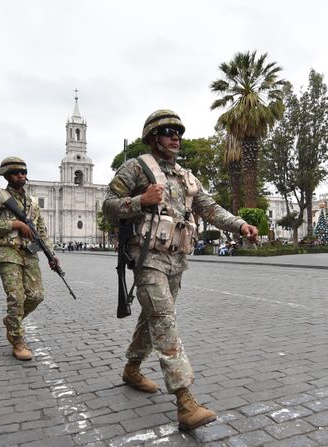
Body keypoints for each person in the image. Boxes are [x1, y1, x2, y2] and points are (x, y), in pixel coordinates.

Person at [103, 109, 259, 430]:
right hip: (147, 258)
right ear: (152, 138)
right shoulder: (136, 168)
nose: (175, 136)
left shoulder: (186, 177)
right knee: (164, 320)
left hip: (177, 260)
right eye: (168, 131)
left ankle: (132, 368)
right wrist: (140, 201)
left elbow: (210, 208)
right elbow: (108, 204)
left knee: (153, 318)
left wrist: (240, 224)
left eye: (179, 131)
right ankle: (185, 400)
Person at [0, 156, 60, 361]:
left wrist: (51, 254)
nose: (21, 176)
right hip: (8, 251)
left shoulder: (33, 203)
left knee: (36, 296)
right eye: (17, 172)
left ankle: (11, 320)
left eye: (24, 172)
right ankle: (17, 340)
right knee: (16, 297)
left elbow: (41, 231)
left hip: (29, 252)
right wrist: (15, 225)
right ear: (7, 175)